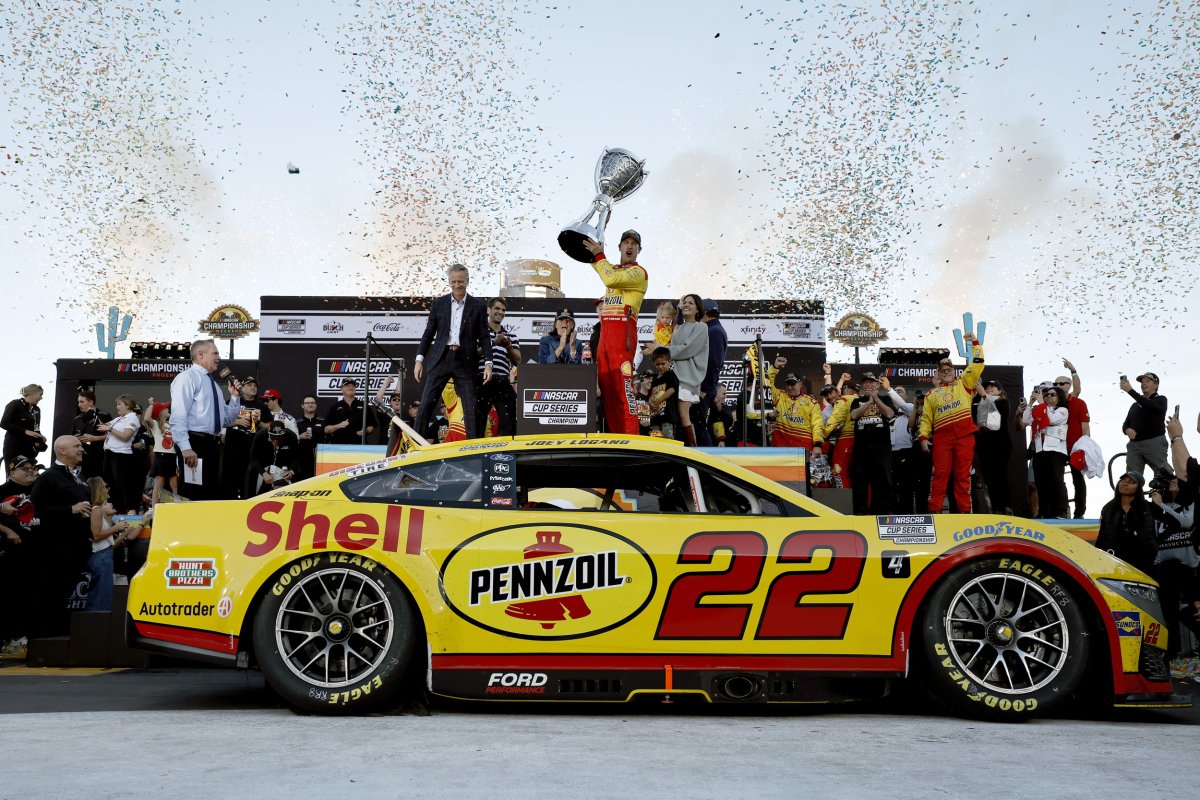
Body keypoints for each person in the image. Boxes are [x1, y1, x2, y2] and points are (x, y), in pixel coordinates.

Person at [413, 264, 492, 440]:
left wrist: (488, 363)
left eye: (461, 282)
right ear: (449, 282)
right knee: (426, 404)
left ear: (467, 282)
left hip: (465, 361)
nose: (457, 285)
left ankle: (471, 449)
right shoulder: (438, 304)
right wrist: (419, 360)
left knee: (471, 408)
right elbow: (428, 334)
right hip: (441, 358)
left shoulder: (478, 306)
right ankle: (415, 445)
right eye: (454, 281)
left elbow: (485, 337)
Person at [581, 232, 648, 435]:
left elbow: (610, 279)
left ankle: (631, 438)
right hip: (605, 339)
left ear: (639, 250)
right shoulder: (614, 270)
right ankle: (615, 436)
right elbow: (603, 269)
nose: (630, 246)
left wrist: (600, 256)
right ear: (619, 247)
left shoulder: (638, 273)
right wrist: (592, 248)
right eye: (626, 242)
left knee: (623, 391)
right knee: (608, 394)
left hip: (622, 338)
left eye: (634, 244)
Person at [28, 436, 92, 637]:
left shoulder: (80, 478)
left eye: (80, 445)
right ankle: (41, 640)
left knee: (64, 594)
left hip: (77, 548)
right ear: (62, 451)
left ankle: (58, 639)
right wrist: (70, 510)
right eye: (77, 446)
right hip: (54, 549)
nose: (81, 449)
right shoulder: (48, 477)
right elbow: (35, 509)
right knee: (49, 594)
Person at [168, 338, 243, 501]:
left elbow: (227, 420)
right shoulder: (187, 378)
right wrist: (186, 447)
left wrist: (235, 397)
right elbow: (178, 415)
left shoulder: (214, 385)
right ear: (200, 355)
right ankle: (188, 526)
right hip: (195, 442)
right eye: (215, 353)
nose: (219, 358)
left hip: (212, 444)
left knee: (210, 494)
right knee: (193, 494)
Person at [918, 335, 984, 513]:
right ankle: (934, 510)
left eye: (949, 369)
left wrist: (976, 343)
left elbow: (978, 363)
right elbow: (926, 418)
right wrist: (923, 437)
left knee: (963, 475)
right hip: (942, 438)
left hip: (964, 435)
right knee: (939, 474)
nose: (946, 372)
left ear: (954, 370)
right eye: (942, 370)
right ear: (938, 373)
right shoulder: (931, 394)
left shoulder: (964, 383)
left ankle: (964, 510)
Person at [644, 294, 709, 446]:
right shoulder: (678, 328)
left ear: (697, 308)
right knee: (669, 415)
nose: (686, 305)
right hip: (673, 379)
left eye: (691, 303)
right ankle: (672, 450)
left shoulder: (701, 327)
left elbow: (686, 350)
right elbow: (669, 353)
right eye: (684, 302)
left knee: (682, 414)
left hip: (687, 379)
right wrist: (654, 351)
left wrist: (660, 348)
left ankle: (692, 451)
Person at [1148, 469, 1199, 660]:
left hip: (1188, 567)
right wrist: (1159, 504)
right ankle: (1171, 653)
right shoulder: (1159, 506)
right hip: (1164, 567)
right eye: (1171, 481)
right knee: (1167, 613)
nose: (1173, 482)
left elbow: (1187, 523)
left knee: (1192, 611)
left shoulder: (1190, 503)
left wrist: (1162, 506)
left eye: (1177, 481)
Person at [1, 455, 41, 657]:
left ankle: (25, 639)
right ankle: (9, 640)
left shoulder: (40, 489)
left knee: (31, 598)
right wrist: (7, 531)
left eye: (32, 467)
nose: (30, 470)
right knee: (10, 598)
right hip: (11, 555)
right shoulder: (3, 491)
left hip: (36, 554)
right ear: (11, 472)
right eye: (24, 467)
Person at [84, 476, 134, 612]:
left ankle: (99, 625)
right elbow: (95, 535)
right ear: (99, 488)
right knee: (100, 595)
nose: (108, 489)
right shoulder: (97, 509)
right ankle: (96, 625)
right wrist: (116, 528)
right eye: (105, 486)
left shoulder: (98, 510)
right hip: (100, 556)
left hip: (104, 555)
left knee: (104, 594)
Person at [848, 373, 896, 514]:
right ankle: (860, 513)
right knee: (860, 482)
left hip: (881, 448)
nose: (869, 384)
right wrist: (869, 402)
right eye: (866, 382)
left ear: (877, 384)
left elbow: (889, 414)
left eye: (872, 382)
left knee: (883, 481)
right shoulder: (857, 401)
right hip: (861, 449)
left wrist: (876, 399)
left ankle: (882, 512)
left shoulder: (885, 399)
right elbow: (853, 415)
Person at [1094, 472, 1157, 575]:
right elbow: (1102, 536)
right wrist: (1098, 556)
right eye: (1123, 480)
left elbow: (1174, 523)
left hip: (1143, 562)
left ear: (1139, 488)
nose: (1124, 484)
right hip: (1114, 561)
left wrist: (1156, 543)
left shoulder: (1148, 507)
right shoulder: (1109, 508)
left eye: (1131, 482)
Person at [1021, 384, 1069, 519]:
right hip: (1039, 449)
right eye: (1046, 394)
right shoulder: (1040, 409)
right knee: (1041, 482)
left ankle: (1060, 511)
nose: (1048, 396)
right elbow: (1025, 420)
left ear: (1059, 398)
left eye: (1052, 394)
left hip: (1056, 450)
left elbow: (1050, 420)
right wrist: (1030, 404)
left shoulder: (1062, 410)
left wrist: (1041, 403)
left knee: (1056, 480)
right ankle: (1044, 512)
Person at [477, 297, 521, 438]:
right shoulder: (478, 332)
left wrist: (508, 346)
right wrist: (493, 342)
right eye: (497, 308)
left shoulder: (511, 335)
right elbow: (471, 356)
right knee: (478, 422)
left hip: (503, 381)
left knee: (509, 421)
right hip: (482, 380)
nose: (500, 312)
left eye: (503, 310)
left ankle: (507, 454)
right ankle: (475, 455)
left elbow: (518, 360)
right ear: (488, 310)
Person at [766, 358, 823, 456]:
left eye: (792, 384)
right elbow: (767, 384)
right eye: (787, 384)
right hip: (780, 446)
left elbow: (817, 425)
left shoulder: (812, 403)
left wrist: (817, 445)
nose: (789, 387)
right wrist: (775, 368)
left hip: (801, 448)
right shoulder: (780, 396)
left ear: (800, 384)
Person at [1056, 359, 1091, 518]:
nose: (1059, 386)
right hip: (1057, 446)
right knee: (1057, 479)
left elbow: (1085, 426)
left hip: (1075, 446)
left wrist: (1085, 445)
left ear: (1068, 386)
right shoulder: (1052, 403)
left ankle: (1079, 513)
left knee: (1078, 480)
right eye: (1056, 384)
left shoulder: (1077, 401)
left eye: (1063, 383)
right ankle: (1060, 510)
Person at [223, 375, 265, 499]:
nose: (253, 387)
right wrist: (237, 422)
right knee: (230, 477)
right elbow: (221, 421)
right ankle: (229, 503)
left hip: (252, 449)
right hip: (232, 448)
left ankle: (248, 502)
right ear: (242, 387)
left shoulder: (261, 405)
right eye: (249, 385)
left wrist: (258, 423)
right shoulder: (231, 401)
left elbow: (269, 425)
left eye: (255, 386)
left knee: (248, 479)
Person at [973, 380, 1013, 513]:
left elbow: (1000, 416)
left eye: (992, 387)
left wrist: (984, 395)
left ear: (1000, 391)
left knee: (1000, 475)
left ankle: (1007, 506)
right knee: (989, 477)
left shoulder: (1002, 402)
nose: (989, 389)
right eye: (986, 387)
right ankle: (996, 508)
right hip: (984, 446)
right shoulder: (979, 404)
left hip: (1000, 444)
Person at [1120, 371, 1169, 479]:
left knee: (1163, 475)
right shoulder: (1135, 405)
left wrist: (1130, 391)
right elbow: (1125, 424)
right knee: (1131, 477)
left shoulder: (1161, 399)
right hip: (1134, 445)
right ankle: (1135, 495)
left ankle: (1162, 495)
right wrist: (1127, 430)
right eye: (1142, 382)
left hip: (1154, 442)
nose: (1143, 384)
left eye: (1147, 381)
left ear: (1156, 385)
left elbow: (1149, 405)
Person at [101, 394, 143, 513]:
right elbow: (104, 425)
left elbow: (125, 436)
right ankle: (116, 508)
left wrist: (109, 429)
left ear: (128, 405)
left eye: (119, 404)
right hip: (110, 453)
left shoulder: (132, 418)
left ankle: (130, 509)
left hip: (121, 455)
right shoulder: (119, 418)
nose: (117, 407)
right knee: (110, 483)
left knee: (123, 483)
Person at [696, 299, 728, 448]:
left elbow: (714, 363)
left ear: (705, 312)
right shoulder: (711, 328)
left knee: (699, 426)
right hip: (701, 386)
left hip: (703, 389)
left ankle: (705, 465)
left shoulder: (714, 331)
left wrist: (704, 389)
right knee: (695, 424)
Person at [2, 384, 47, 473]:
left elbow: (36, 428)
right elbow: (4, 423)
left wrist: (40, 437)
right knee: (15, 475)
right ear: (32, 393)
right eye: (40, 394)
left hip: (29, 450)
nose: (41, 398)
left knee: (29, 475)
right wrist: (25, 431)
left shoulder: (37, 409)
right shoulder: (15, 404)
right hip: (14, 447)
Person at [823, 381, 859, 489]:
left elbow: (834, 420)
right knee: (863, 476)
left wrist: (821, 437)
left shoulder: (844, 399)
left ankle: (845, 504)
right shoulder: (865, 399)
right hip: (863, 441)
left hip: (846, 441)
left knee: (839, 472)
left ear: (844, 390)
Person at [142, 399, 178, 507]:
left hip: (172, 455)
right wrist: (152, 405)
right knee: (159, 482)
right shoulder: (156, 424)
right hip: (161, 455)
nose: (168, 409)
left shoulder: (172, 423)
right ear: (160, 412)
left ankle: (177, 505)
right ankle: (154, 507)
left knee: (174, 483)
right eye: (165, 408)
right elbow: (146, 418)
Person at [248, 420, 297, 495]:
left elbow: (297, 457)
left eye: (279, 438)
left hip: (283, 472)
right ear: (268, 432)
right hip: (262, 469)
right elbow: (253, 458)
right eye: (273, 438)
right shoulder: (260, 435)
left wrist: (292, 470)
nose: (276, 441)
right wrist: (263, 473)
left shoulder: (291, 436)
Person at [324, 379, 378, 445]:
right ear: (341, 389)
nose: (350, 387)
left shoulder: (364, 406)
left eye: (353, 386)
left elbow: (371, 426)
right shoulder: (334, 407)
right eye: (347, 385)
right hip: (339, 447)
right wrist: (338, 426)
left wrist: (365, 431)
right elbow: (326, 429)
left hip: (360, 445)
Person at [72, 390, 112, 479]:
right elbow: (74, 436)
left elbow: (112, 436)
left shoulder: (104, 416)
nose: (79, 405)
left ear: (90, 402)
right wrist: (75, 439)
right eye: (78, 402)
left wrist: (95, 438)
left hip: (100, 457)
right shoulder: (77, 419)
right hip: (82, 458)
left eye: (82, 402)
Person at [647, 348, 681, 438]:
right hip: (655, 417)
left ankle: (669, 451)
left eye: (663, 364)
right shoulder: (654, 379)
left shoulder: (670, 375)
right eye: (657, 364)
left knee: (667, 436)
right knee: (655, 438)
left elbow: (672, 390)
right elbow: (650, 394)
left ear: (669, 362)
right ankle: (656, 452)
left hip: (667, 416)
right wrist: (651, 402)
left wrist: (658, 400)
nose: (660, 366)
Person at [293, 394, 324, 481]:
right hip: (302, 460)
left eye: (312, 402)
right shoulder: (296, 423)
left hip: (320, 459)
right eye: (307, 403)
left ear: (316, 405)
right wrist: (300, 436)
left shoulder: (323, 422)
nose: (310, 404)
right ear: (302, 406)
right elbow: (291, 441)